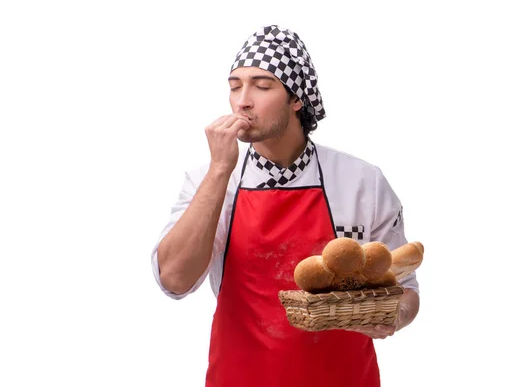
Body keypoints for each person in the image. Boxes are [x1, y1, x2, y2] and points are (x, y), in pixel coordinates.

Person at [151, 25, 420, 387]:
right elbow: (174, 281)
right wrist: (219, 169)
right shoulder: (211, 181)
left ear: (297, 99)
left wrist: (395, 317)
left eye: (262, 86)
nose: (242, 100)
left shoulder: (361, 182)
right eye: (234, 86)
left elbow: (405, 288)